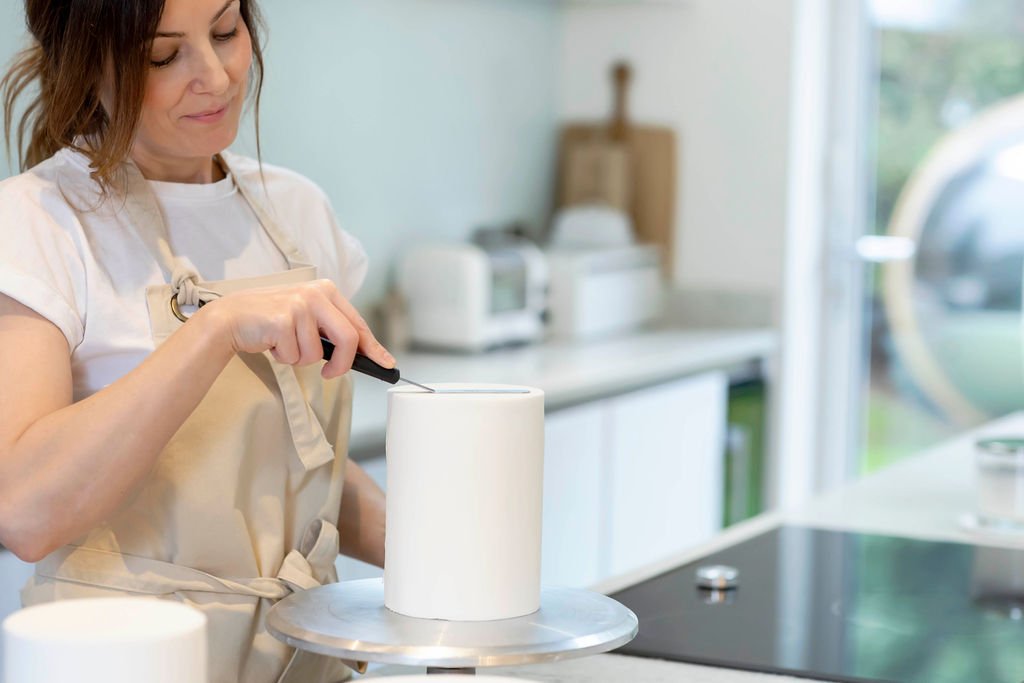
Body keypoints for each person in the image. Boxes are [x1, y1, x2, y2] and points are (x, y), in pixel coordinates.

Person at [0, 0, 392, 680]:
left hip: (308, 659)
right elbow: (25, 510)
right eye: (162, 54)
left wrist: (450, 554)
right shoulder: (36, 226)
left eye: (225, 30)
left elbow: (297, 469)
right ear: (87, 65)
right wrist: (213, 329)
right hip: (132, 664)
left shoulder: (294, 212)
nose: (215, 75)